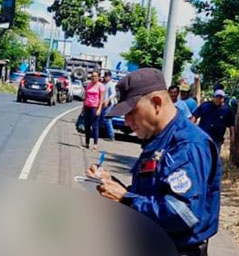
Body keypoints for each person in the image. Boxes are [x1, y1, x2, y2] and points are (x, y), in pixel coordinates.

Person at [87, 68, 220, 256]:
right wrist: (113, 185)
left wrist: (126, 199)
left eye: (131, 112)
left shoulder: (188, 145)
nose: (126, 121)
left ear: (156, 103)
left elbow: (182, 214)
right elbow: (152, 194)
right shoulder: (160, 140)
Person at [81, 71, 104, 150]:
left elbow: (101, 99)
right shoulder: (89, 85)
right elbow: (86, 97)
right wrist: (83, 109)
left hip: (94, 107)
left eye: (95, 76)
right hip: (87, 106)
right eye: (92, 76)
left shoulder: (100, 86)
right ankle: (87, 143)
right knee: (87, 126)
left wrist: (99, 109)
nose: (93, 78)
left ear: (98, 77)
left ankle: (95, 144)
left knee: (95, 126)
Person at [101, 71, 118, 141]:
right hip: (104, 104)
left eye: (107, 76)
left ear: (110, 77)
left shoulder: (111, 84)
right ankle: (108, 134)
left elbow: (113, 93)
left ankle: (111, 135)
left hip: (109, 104)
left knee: (106, 118)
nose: (106, 78)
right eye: (105, 76)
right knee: (105, 119)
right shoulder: (105, 84)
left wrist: (107, 100)